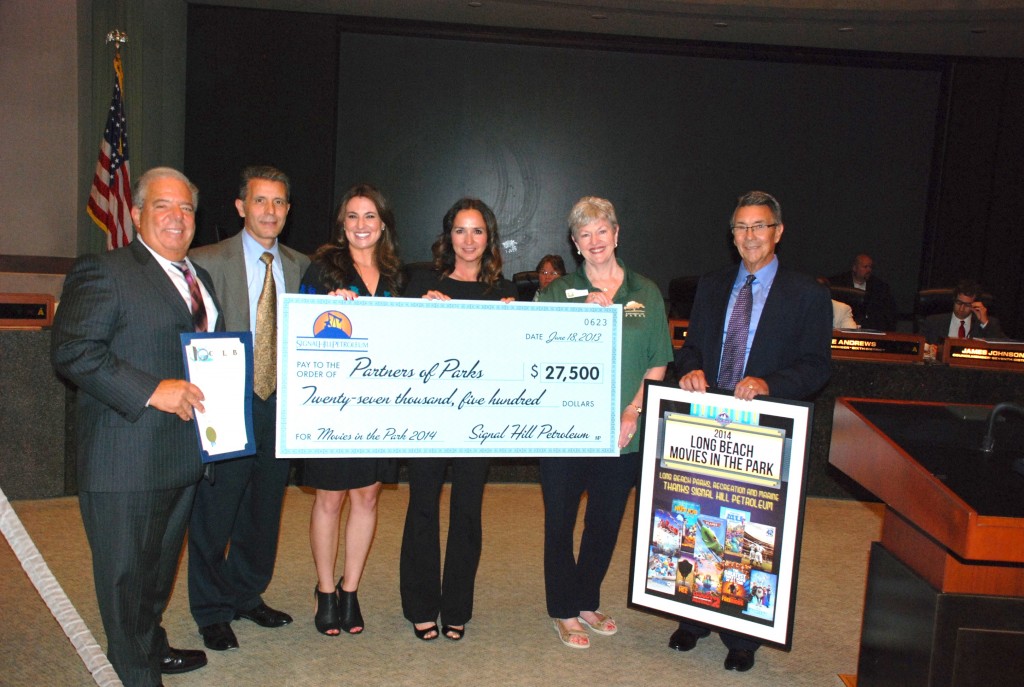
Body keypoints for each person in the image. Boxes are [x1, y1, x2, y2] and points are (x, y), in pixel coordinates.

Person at [51, 167, 219, 686]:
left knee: (155, 576)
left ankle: (152, 645)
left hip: (181, 455)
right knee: (124, 581)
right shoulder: (104, 271)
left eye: (186, 208)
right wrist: (153, 389)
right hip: (124, 460)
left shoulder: (200, 278)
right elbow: (73, 351)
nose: (177, 218)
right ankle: (134, 674)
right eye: (163, 206)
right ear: (136, 213)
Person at [671, 191, 831, 672]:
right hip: (708, 429)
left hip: (764, 433)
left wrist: (768, 384)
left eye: (759, 226)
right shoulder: (712, 285)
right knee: (698, 519)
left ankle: (741, 635)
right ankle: (693, 616)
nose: (749, 236)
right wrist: (691, 369)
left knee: (747, 530)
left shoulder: (809, 294)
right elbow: (692, 346)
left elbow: (817, 366)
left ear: (778, 232)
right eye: (740, 227)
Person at [535, 197, 673, 650]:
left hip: (623, 432)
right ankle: (562, 609)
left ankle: (586, 599)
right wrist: (580, 320)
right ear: (575, 244)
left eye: (602, 231)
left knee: (604, 522)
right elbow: (540, 355)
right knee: (559, 522)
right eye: (584, 235)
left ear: (617, 234)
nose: (594, 241)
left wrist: (632, 411)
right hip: (566, 430)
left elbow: (657, 360)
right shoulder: (559, 292)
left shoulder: (646, 291)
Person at [186, 166, 308, 651]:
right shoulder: (205, 261)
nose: (270, 211)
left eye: (279, 202)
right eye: (260, 201)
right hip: (225, 406)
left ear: (288, 211)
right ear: (241, 207)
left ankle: (245, 593)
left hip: (280, 404)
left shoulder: (301, 267)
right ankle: (211, 610)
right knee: (216, 510)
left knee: (264, 509)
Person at [400, 197, 517, 642]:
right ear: (448, 236)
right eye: (460, 231)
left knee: (468, 510)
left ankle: (457, 607)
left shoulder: (505, 292)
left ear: (489, 239)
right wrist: (419, 314)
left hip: (480, 421)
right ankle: (419, 604)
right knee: (423, 507)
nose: (469, 240)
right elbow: (403, 351)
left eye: (478, 231)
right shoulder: (421, 286)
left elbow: (512, 363)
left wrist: (514, 324)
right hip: (429, 415)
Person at [299, 184, 403, 635]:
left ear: (383, 225)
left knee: (367, 495)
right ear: (342, 225)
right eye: (353, 217)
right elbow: (301, 327)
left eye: (370, 217)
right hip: (331, 406)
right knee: (329, 498)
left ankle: (350, 588)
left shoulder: (398, 276)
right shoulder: (322, 269)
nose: (362, 225)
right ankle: (324, 590)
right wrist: (325, 307)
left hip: (378, 406)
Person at [920, 279, 1005, 344]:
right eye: (959, 303)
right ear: (954, 300)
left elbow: (1003, 346)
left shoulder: (989, 324)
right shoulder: (933, 322)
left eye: (967, 305)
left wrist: (985, 323)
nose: (961, 308)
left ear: (975, 305)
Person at [829, 253, 897, 330]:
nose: (869, 270)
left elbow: (887, 314)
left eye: (870, 267)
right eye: (865, 267)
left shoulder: (880, 287)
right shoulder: (839, 284)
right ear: (854, 268)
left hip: (871, 329)